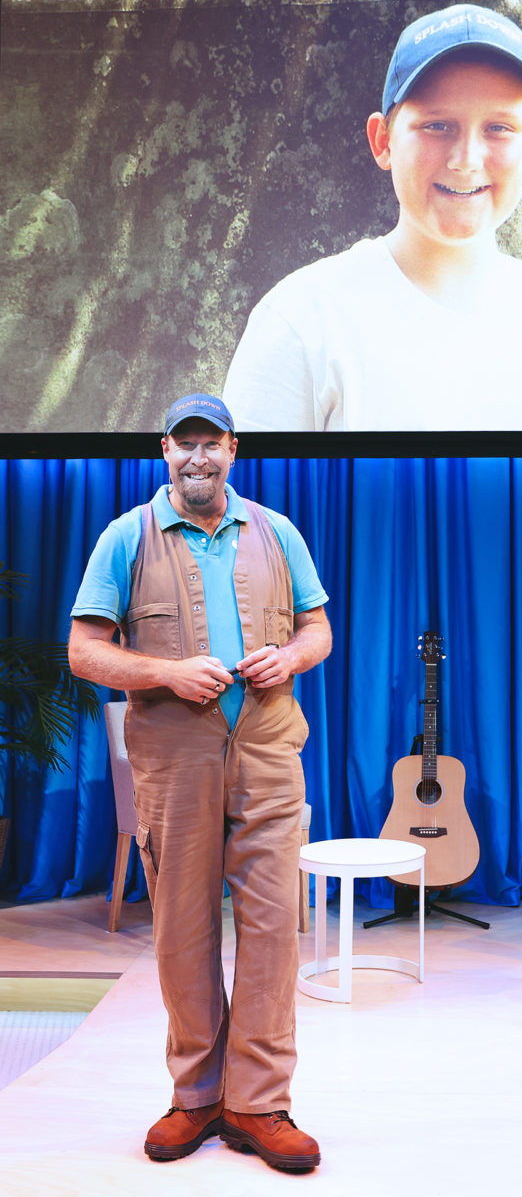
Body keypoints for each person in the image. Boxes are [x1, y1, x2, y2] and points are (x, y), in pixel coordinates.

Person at [68, 393, 331, 1172]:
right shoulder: (128, 536)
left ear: (232, 450)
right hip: (174, 764)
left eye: (210, 444)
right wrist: (166, 673)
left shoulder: (278, 533)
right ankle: (196, 1097)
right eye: (184, 445)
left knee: (274, 930)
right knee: (183, 933)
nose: (197, 458)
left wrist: (292, 656)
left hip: (270, 754)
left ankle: (259, 1103)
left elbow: (318, 627)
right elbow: (85, 652)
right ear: (164, 451)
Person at [222, 2, 522, 433]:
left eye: (498, 128)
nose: (466, 161)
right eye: (437, 126)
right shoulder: (301, 321)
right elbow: (248, 500)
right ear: (382, 140)